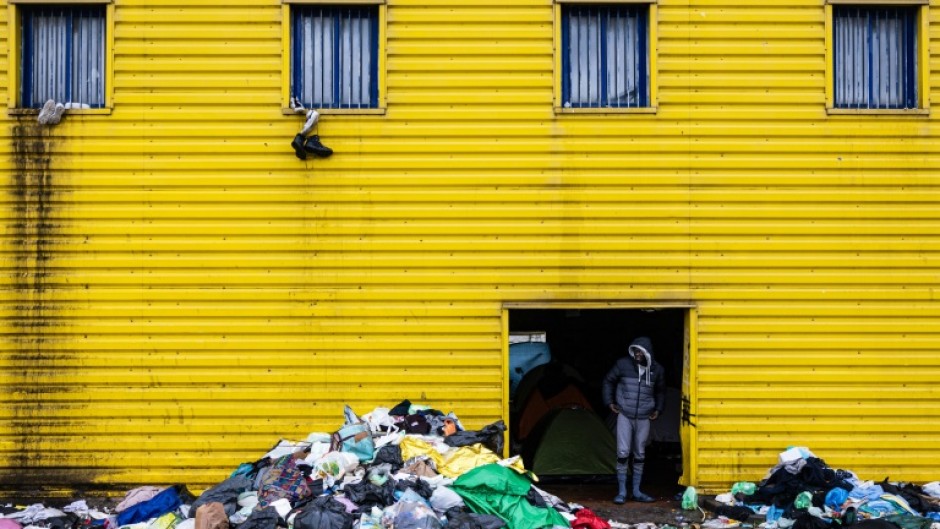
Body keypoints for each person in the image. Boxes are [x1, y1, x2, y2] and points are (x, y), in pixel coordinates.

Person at [602, 336, 665, 504]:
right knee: (623, 453)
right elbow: (608, 380)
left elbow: (660, 390)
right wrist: (609, 403)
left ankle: (636, 491)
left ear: (648, 353)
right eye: (635, 350)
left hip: (644, 416)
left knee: (640, 454)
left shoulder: (657, 369)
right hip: (625, 414)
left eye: (640, 351)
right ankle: (622, 492)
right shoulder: (623, 364)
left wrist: (658, 409)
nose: (637, 353)